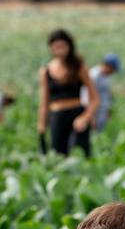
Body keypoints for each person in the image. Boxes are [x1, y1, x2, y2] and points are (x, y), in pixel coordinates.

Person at [38, 29, 99, 157]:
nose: (60, 50)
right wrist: (42, 124)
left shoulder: (78, 67)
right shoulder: (46, 71)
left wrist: (85, 117)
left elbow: (94, 98)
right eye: (56, 47)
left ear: (69, 47)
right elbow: (44, 102)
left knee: (78, 154)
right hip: (57, 118)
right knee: (57, 156)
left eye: (63, 46)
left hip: (76, 117)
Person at [83, 53, 120, 131]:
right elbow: (87, 96)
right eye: (113, 69)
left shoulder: (107, 76)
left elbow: (107, 94)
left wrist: (108, 112)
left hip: (102, 112)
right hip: (94, 113)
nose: (113, 72)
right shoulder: (94, 75)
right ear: (108, 66)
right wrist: (90, 116)